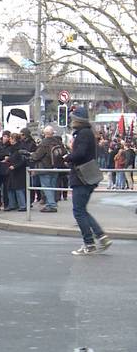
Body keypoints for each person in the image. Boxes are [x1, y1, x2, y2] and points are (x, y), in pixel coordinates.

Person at [64, 107, 112, 255]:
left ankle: (89, 243)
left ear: (78, 120)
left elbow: (80, 153)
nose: (71, 121)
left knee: (78, 212)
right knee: (82, 210)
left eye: (73, 118)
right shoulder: (87, 133)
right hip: (86, 177)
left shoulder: (83, 134)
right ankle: (101, 237)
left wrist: (68, 157)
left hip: (81, 177)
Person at [30, 126, 63, 213]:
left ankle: (51, 204)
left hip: (45, 168)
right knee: (52, 186)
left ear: (44, 134)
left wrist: (31, 155)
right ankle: (50, 203)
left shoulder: (44, 143)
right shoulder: (58, 142)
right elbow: (64, 152)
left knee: (46, 187)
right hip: (56, 167)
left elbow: (37, 156)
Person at [5, 133, 28, 212]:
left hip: (18, 171)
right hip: (12, 171)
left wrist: (14, 166)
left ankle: (22, 205)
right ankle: (13, 204)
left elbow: (23, 160)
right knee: (10, 188)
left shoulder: (20, 149)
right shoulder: (13, 148)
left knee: (19, 189)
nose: (9, 140)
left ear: (14, 139)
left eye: (11, 138)